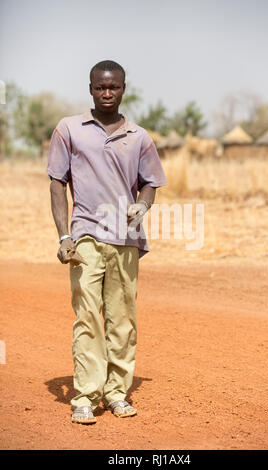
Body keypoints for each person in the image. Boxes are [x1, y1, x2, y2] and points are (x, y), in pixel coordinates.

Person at [47, 60, 167, 424]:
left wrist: (142, 205)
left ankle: (116, 392)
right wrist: (64, 235)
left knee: (123, 319)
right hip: (84, 233)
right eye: (100, 87)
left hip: (126, 238)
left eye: (113, 87)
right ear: (90, 89)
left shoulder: (139, 137)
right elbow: (57, 183)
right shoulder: (69, 129)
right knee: (86, 315)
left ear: (124, 89)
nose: (107, 93)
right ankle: (85, 394)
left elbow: (151, 183)